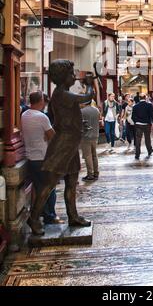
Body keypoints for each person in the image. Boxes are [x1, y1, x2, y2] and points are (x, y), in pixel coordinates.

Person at [27, 60, 94, 235]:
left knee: (72, 181)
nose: (73, 77)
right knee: (49, 184)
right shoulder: (62, 94)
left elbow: (66, 118)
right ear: (63, 77)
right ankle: (33, 218)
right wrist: (90, 85)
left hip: (71, 142)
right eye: (71, 74)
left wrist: (78, 124)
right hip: (63, 144)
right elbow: (87, 98)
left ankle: (73, 216)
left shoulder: (62, 94)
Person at [21, 91, 60, 225]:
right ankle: (49, 216)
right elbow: (53, 137)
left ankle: (40, 214)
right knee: (50, 188)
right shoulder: (41, 117)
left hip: (31, 158)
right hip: (43, 157)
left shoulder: (24, 115)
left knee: (38, 188)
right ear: (41, 101)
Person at [80, 100, 100, 181]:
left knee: (88, 156)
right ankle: (96, 173)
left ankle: (90, 174)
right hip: (95, 135)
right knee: (94, 155)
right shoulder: (96, 110)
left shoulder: (81, 111)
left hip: (86, 136)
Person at [132, 93, 153, 160]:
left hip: (138, 124)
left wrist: (136, 122)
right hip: (147, 125)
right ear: (145, 98)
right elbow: (152, 114)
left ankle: (137, 154)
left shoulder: (135, 106)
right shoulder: (149, 105)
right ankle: (149, 151)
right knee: (147, 138)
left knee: (138, 140)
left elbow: (133, 117)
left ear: (139, 98)